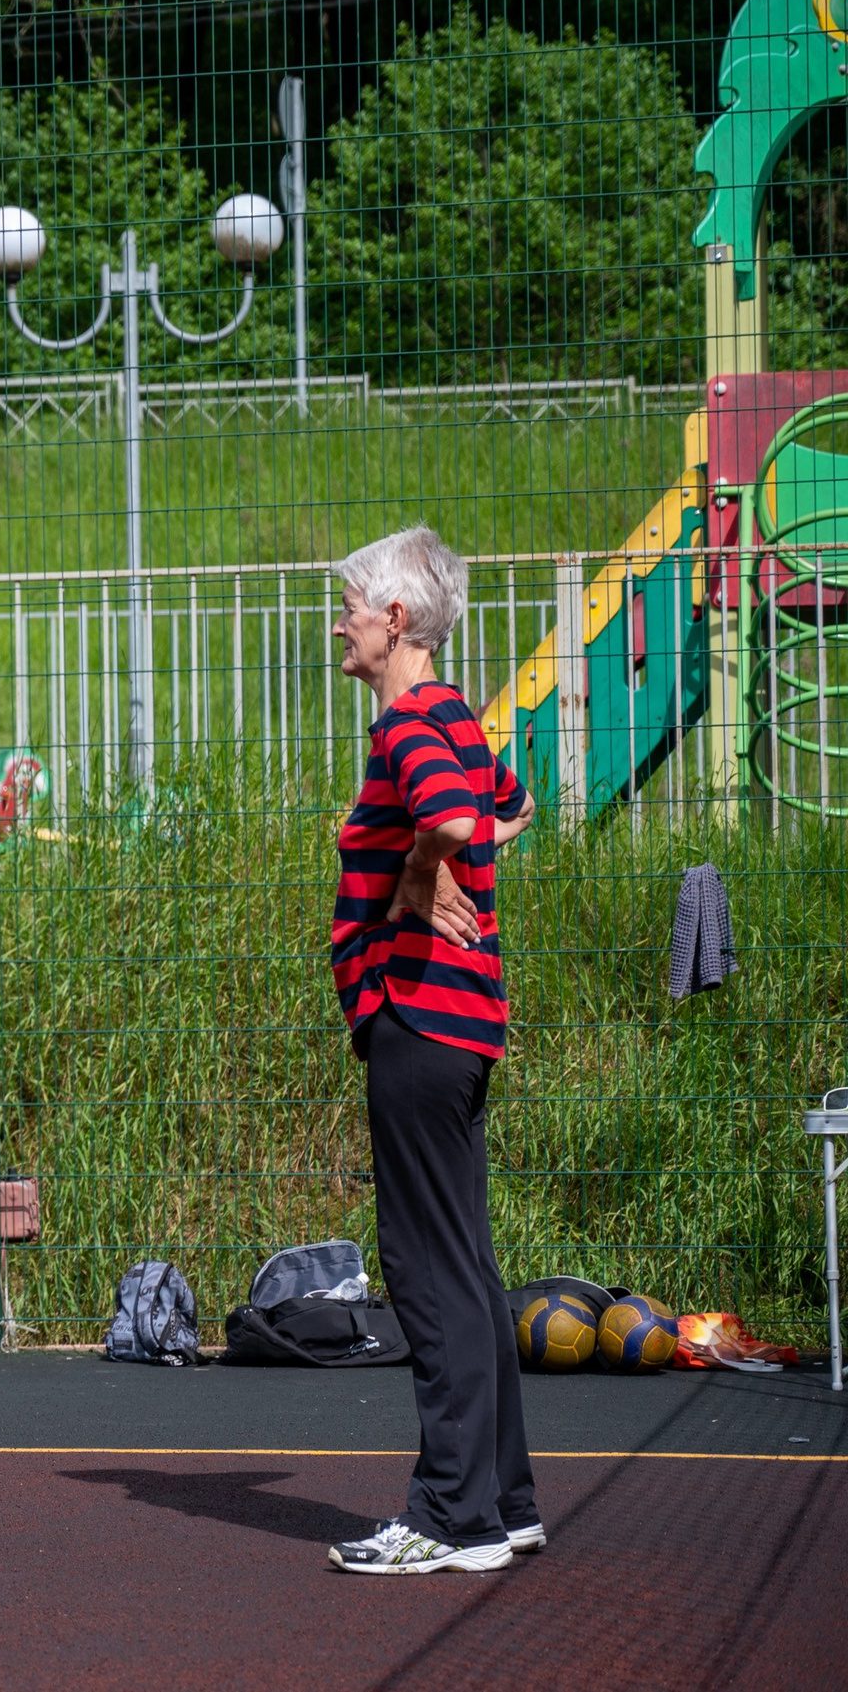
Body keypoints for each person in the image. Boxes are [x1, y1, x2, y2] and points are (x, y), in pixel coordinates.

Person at [323, 525, 539, 1576]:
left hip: (418, 1015)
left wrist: (413, 868)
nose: (341, 623)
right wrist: (419, 844)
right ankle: (503, 1498)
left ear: (394, 620)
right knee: (464, 1261)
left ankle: (451, 1516)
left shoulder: (408, 723)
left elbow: (455, 817)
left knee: (420, 1266)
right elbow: (514, 806)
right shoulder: (457, 713)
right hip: (465, 1019)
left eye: (352, 606)